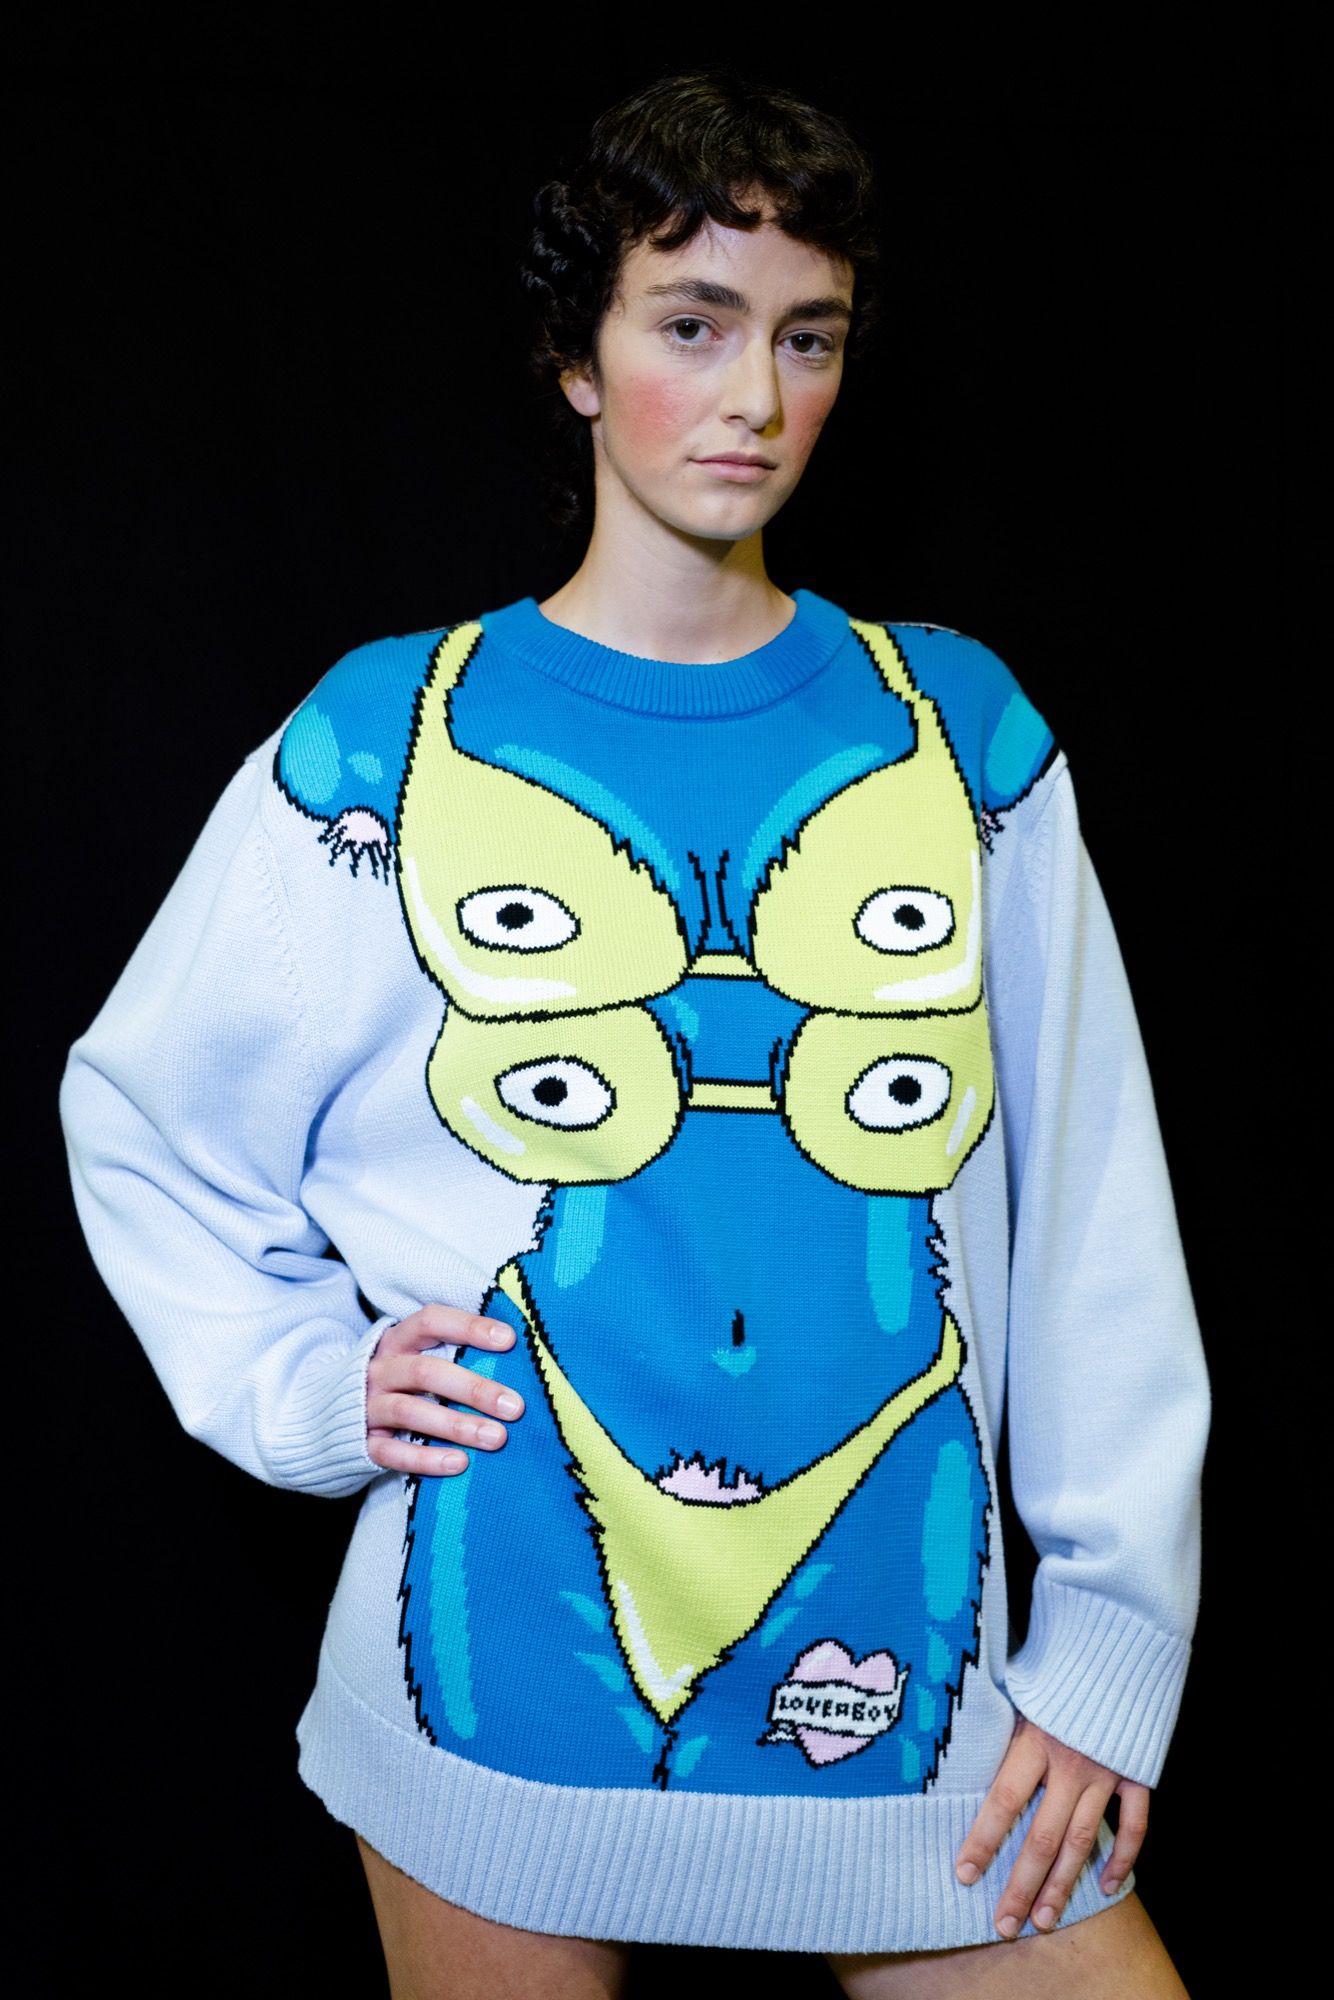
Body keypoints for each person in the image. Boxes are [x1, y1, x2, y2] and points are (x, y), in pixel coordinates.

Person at [59, 66, 1208, 2000]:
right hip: (494, 1639)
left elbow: (1092, 1203)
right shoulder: (391, 734)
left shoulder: (959, 734)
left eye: (806, 337)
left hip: (906, 1629)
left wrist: (1109, 1638)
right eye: (691, 324)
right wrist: (307, 1387)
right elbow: (148, 1116)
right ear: (576, 359)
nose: (755, 395)